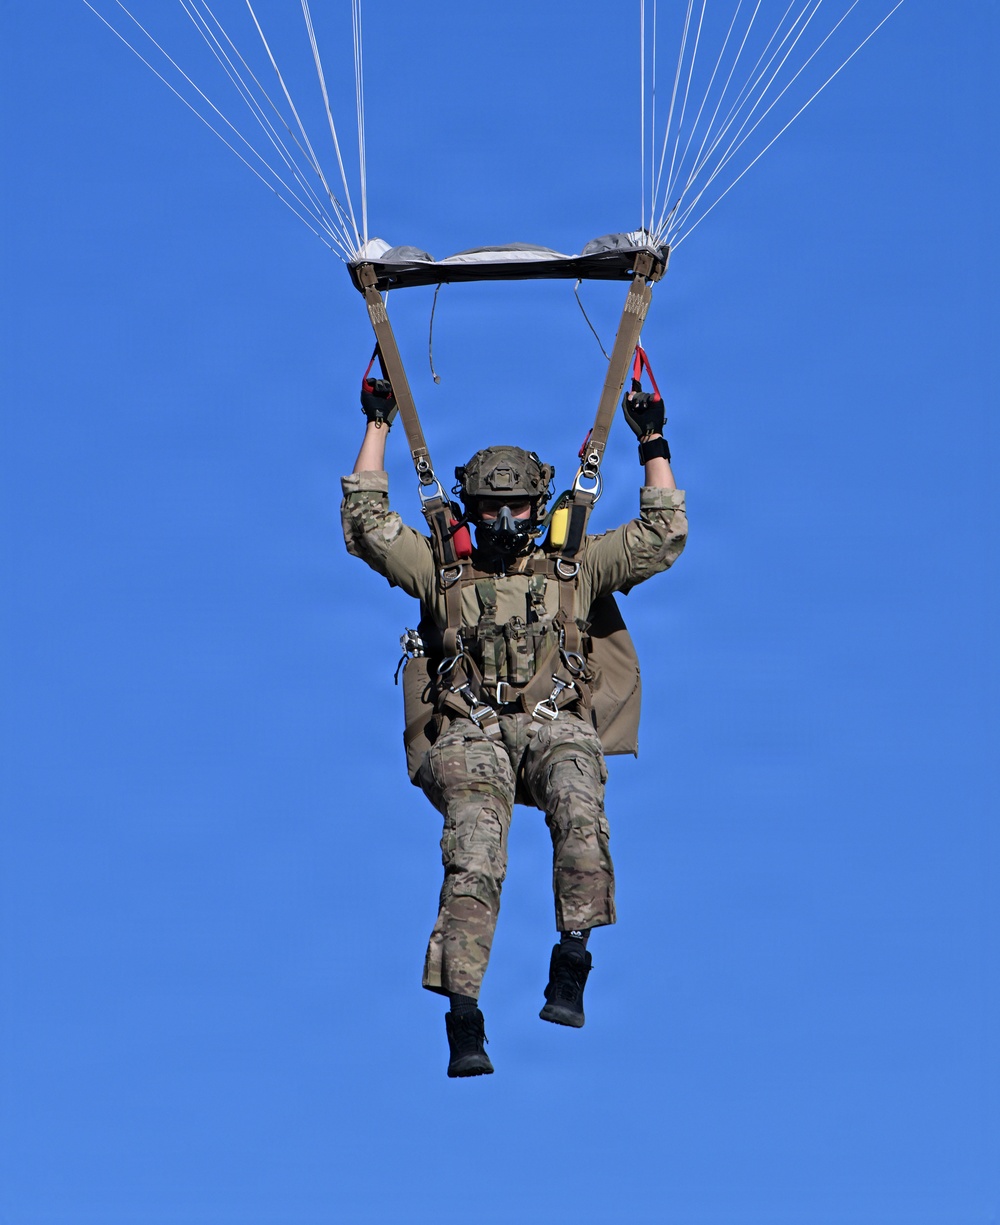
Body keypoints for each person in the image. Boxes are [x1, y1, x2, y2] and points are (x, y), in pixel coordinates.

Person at [341, 384, 687, 1078]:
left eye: (517, 507)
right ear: (468, 508)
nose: (503, 519)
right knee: (476, 849)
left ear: (539, 509)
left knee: (578, 803)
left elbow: (662, 536)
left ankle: (573, 958)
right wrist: (378, 421)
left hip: (552, 724)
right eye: (490, 507)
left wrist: (652, 443)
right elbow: (366, 520)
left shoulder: (574, 565)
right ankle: (463, 1016)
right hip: (470, 733)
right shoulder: (443, 569)